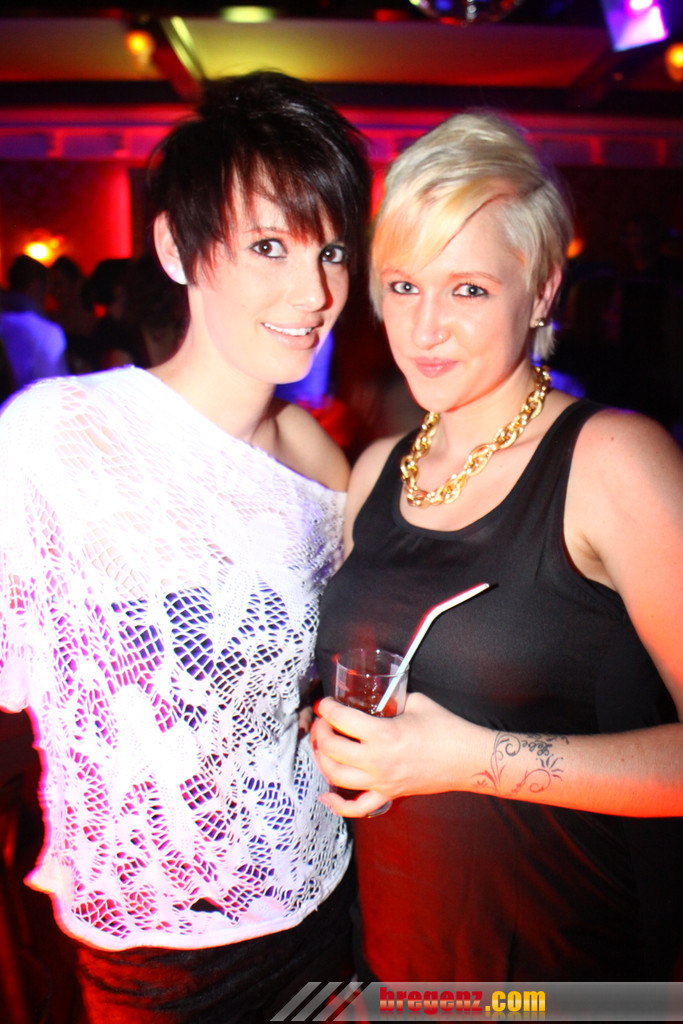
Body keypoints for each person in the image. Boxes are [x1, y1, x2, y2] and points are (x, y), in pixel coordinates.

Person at [0, 71, 369, 1022]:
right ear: (175, 247)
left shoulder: (314, 458)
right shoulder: (61, 434)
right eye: (268, 246)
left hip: (323, 902)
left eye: (331, 249)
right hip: (159, 958)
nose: (314, 292)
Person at [313, 112, 683, 982]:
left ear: (542, 290)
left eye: (468, 290)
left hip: (563, 973)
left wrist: (470, 760)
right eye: (403, 285)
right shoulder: (375, 469)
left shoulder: (612, 459)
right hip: (393, 960)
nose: (424, 328)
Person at [1, 254, 69, 388]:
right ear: (36, 286)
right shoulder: (46, 332)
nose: (50, 296)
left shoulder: (5, 321)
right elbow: (55, 387)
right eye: (48, 289)